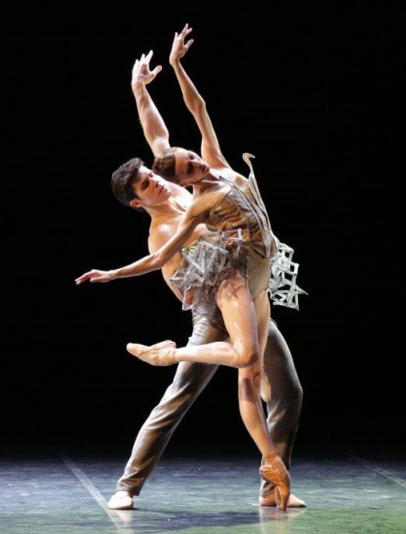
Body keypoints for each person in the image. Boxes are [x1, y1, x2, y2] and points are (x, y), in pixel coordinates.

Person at [76, 24, 297, 509]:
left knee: (287, 390)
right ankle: (127, 486)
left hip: (243, 287)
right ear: (137, 202)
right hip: (211, 306)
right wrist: (114, 274)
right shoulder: (162, 228)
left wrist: (139, 89)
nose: (157, 180)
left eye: (154, 174)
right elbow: (170, 272)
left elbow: (159, 130)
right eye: (148, 185)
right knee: (178, 397)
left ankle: (272, 486)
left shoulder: (183, 177)